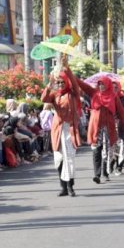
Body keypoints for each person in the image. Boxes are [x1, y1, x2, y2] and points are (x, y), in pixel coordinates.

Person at [77, 75, 124, 184]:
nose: (101, 86)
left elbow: (121, 112)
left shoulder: (113, 96)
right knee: (96, 150)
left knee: (107, 151)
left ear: (107, 85)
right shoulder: (94, 93)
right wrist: (68, 72)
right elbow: (81, 85)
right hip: (96, 127)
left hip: (108, 127)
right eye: (99, 84)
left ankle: (105, 173)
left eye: (103, 84)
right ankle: (97, 174)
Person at [41, 57, 82, 196]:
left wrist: (67, 69)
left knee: (69, 158)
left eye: (62, 82)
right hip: (58, 130)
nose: (60, 85)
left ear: (66, 83)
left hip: (70, 129)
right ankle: (63, 187)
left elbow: (75, 84)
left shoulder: (72, 94)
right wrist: (49, 84)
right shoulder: (54, 95)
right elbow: (43, 99)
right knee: (59, 158)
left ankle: (70, 187)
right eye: (58, 83)